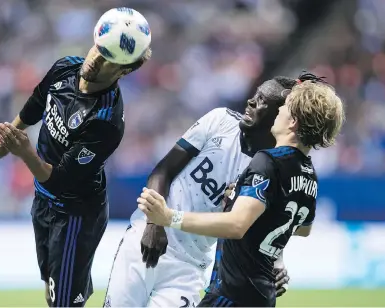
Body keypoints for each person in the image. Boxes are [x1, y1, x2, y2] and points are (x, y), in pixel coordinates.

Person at [104, 73, 326, 307]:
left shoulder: (269, 167)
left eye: (263, 101)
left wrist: (276, 261)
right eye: (255, 95)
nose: (251, 102)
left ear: (279, 116)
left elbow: (262, 226)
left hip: (189, 267)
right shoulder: (219, 121)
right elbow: (162, 171)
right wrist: (153, 224)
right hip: (147, 239)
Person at [0, 39, 151, 306]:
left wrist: (23, 151)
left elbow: (58, 182)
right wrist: (12, 130)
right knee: (52, 289)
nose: (97, 58)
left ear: (123, 71)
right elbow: (38, 100)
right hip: (43, 201)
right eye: (99, 48)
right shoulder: (65, 68)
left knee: (64, 302)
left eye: (109, 58)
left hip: (74, 215)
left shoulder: (105, 121)